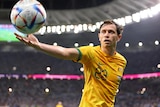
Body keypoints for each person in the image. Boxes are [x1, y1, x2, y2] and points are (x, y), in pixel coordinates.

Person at [15, 20, 127, 107]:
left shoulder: (122, 61)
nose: (106, 35)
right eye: (104, 32)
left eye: (111, 32)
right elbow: (65, 52)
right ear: (99, 36)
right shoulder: (90, 53)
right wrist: (39, 46)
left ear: (119, 37)